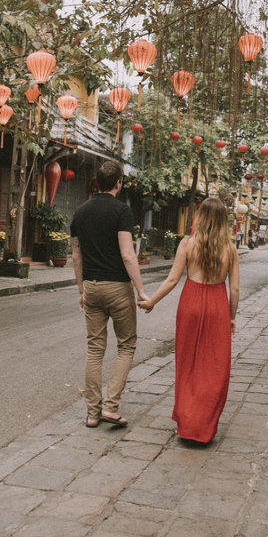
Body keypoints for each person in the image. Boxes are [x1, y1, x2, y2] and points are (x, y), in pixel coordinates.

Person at [138, 197, 240, 443]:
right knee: (215, 367)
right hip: (217, 306)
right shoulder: (230, 248)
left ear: (200, 217)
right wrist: (232, 317)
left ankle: (186, 423)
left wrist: (152, 301)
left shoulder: (187, 243)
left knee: (188, 364)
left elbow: (172, 280)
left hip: (191, 303)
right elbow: (234, 289)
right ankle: (205, 426)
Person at [70, 160, 148, 429]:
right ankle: (111, 406)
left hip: (90, 286)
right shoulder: (121, 211)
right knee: (126, 345)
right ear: (118, 183)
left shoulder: (79, 212)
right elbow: (128, 254)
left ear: (96, 182)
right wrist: (141, 290)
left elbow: (76, 255)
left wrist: (82, 290)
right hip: (117, 288)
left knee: (94, 349)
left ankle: (93, 413)